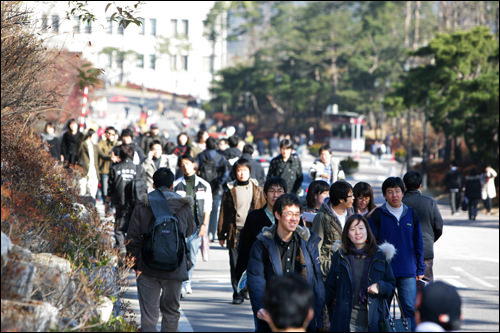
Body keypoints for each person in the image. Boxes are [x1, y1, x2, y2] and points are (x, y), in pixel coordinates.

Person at [126, 167, 196, 332]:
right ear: (172, 185)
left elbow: (132, 237)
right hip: (175, 265)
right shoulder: (183, 205)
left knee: (149, 315)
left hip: (148, 266)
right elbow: (190, 230)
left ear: (154, 185)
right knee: (171, 311)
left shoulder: (144, 204)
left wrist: (134, 263)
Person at [247, 193, 324, 332]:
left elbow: (316, 279)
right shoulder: (262, 244)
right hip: (273, 311)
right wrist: (261, 308)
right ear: (277, 215)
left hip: (302, 311)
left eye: (297, 214)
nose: (294, 218)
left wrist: (318, 312)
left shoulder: (308, 242)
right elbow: (256, 279)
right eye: (289, 213)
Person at [368, 176, 425, 331]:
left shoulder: (411, 214)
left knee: (410, 308)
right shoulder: (378, 215)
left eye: (397, 191)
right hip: (384, 272)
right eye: (390, 192)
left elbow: (418, 243)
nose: (394, 195)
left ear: (403, 193)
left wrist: (420, 269)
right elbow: (371, 244)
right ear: (385, 195)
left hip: (407, 270)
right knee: (383, 310)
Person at [325, 214, 396, 332]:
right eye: (352, 229)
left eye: (361, 228)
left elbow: (391, 286)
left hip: (372, 321)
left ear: (367, 231)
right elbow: (329, 289)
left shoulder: (379, 256)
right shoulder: (340, 256)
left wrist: (380, 286)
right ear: (347, 234)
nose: (357, 233)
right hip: (346, 321)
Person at [218, 158, 266, 304]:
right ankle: (237, 293)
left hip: (253, 232)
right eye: (239, 170)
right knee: (235, 264)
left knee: (252, 263)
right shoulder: (230, 189)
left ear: (249, 172)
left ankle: (246, 289)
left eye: (244, 170)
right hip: (235, 232)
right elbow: (223, 213)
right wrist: (221, 234)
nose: (241, 173)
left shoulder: (258, 189)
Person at [172, 154, 212, 297]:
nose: (185, 167)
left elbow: (208, 207)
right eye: (183, 164)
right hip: (180, 227)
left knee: (192, 257)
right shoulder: (176, 184)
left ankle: (187, 281)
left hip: (196, 226)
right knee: (181, 256)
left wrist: (204, 225)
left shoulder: (204, 185)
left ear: (194, 165)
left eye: (188, 163)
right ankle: (182, 283)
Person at [235, 177, 287, 285]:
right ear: (265, 194)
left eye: (279, 191)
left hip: (284, 273)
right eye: (272, 191)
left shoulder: (291, 218)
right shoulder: (254, 217)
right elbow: (245, 247)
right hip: (260, 271)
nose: (275, 195)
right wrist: (241, 273)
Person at [403, 170, 444, 282]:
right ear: (420, 185)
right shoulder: (430, 203)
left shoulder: (400, 204)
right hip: (426, 250)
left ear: (404, 185)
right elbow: (439, 226)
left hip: (403, 252)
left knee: (404, 285)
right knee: (425, 284)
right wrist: (430, 239)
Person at [106, 144, 145, 255]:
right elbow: (143, 187)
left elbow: (110, 188)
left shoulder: (115, 168)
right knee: (135, 228)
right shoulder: (139, 169)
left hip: (120, 203)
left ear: (121, 156)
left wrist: (107, 203)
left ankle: (122, 247)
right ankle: (134, 253)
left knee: (119, 229)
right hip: (136, 203)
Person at [311, 180, 354, 279]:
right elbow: (315, 247)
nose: (353, 198)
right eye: (351, 196)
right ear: (341, 200)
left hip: (347, 271)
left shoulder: (351, 216)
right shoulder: (322, 217)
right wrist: (325, 268)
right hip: (328, 273)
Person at [196, 137, 230, 242]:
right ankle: (211, 233)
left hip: (201, 185)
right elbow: (226, 172)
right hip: (215, 186)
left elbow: (195, 168)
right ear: (215, 145)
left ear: (206, 144)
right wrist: (220, 181)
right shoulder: (220, 157)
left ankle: (200, 229)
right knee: (214, 210)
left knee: (200, 208)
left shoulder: (200, 156)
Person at [77, 128, 100, 204]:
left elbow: (102, 154)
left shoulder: (95, 146)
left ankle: (92, 207)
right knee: (82, 189)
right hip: (84, 170)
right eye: (94, 136)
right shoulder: (83, 144)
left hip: (93, 171)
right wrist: (84, 133)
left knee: (92, 190)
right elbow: (78, 146)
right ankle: (81, 207)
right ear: (90, 136)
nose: (96, 137)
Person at [97, 127, 118, 203]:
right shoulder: (102, 143)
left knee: (113, 190)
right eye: (108, 133)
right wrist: (110, 157)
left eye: (112, 134)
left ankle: (111, 207)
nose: (110, 135)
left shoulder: (116, 144)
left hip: (114, 170)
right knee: (105, 191)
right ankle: (106, 206)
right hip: (104, 170)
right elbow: (100, 153)